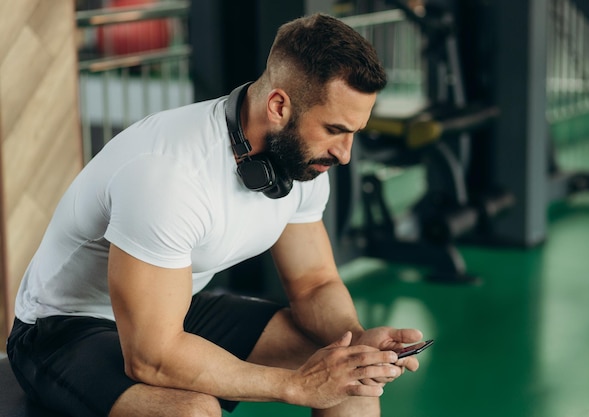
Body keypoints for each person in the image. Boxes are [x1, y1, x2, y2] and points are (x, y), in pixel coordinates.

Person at [7, 13, 424, 417]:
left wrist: (357, 337)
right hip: (63, 327)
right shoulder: (168, 173)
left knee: (353, 372)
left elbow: (314, 283)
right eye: (335, 130)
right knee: (193, 412)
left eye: (354, 132)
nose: (345, 154)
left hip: (171, 307)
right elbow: (150, 358)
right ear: (279, 106)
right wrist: (295, 386)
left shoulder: (302, 159)